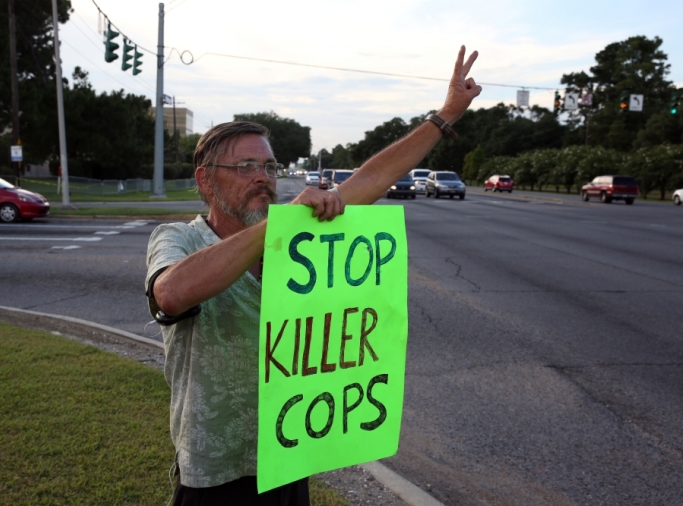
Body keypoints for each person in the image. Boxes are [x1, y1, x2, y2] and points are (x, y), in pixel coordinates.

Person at [146, 45, 482, 506]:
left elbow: (370, 179)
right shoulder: (179, 239)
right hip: (215, 475)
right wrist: (275, 228)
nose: (261, 177)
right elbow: (171, 293)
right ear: (205, 181)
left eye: (268, 166)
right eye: (245, 167)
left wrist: (445, 115)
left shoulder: (294, 237)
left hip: (288, 459)